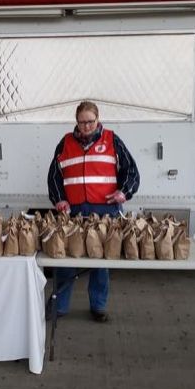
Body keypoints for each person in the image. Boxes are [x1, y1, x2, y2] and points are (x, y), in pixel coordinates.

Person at [46, 101, 140, 323]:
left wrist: (123, 193)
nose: (86, 126)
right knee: (65, 259)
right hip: (74, 212)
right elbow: (54, 177)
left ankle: (98, 306)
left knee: (100, 262)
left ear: (98, 119)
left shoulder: (112, 140)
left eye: (90, 121)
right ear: (76, 122)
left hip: (104, 212)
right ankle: (60, 306)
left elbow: (131, 171)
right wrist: (59, 200)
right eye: (82, 122)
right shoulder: (65, 143)